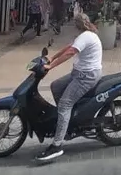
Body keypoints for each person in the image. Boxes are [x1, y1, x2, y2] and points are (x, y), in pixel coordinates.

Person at [35, 13, 103, 162]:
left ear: (77, 24)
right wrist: (52, 57)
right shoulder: (85, 34)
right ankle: (66, 121)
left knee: (65, 104)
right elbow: (69, 47)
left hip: (86, 76)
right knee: (56, 86)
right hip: (79, 73)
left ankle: (57, 145)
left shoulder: (86, 36)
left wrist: (50, 66)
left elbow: (71, 52)